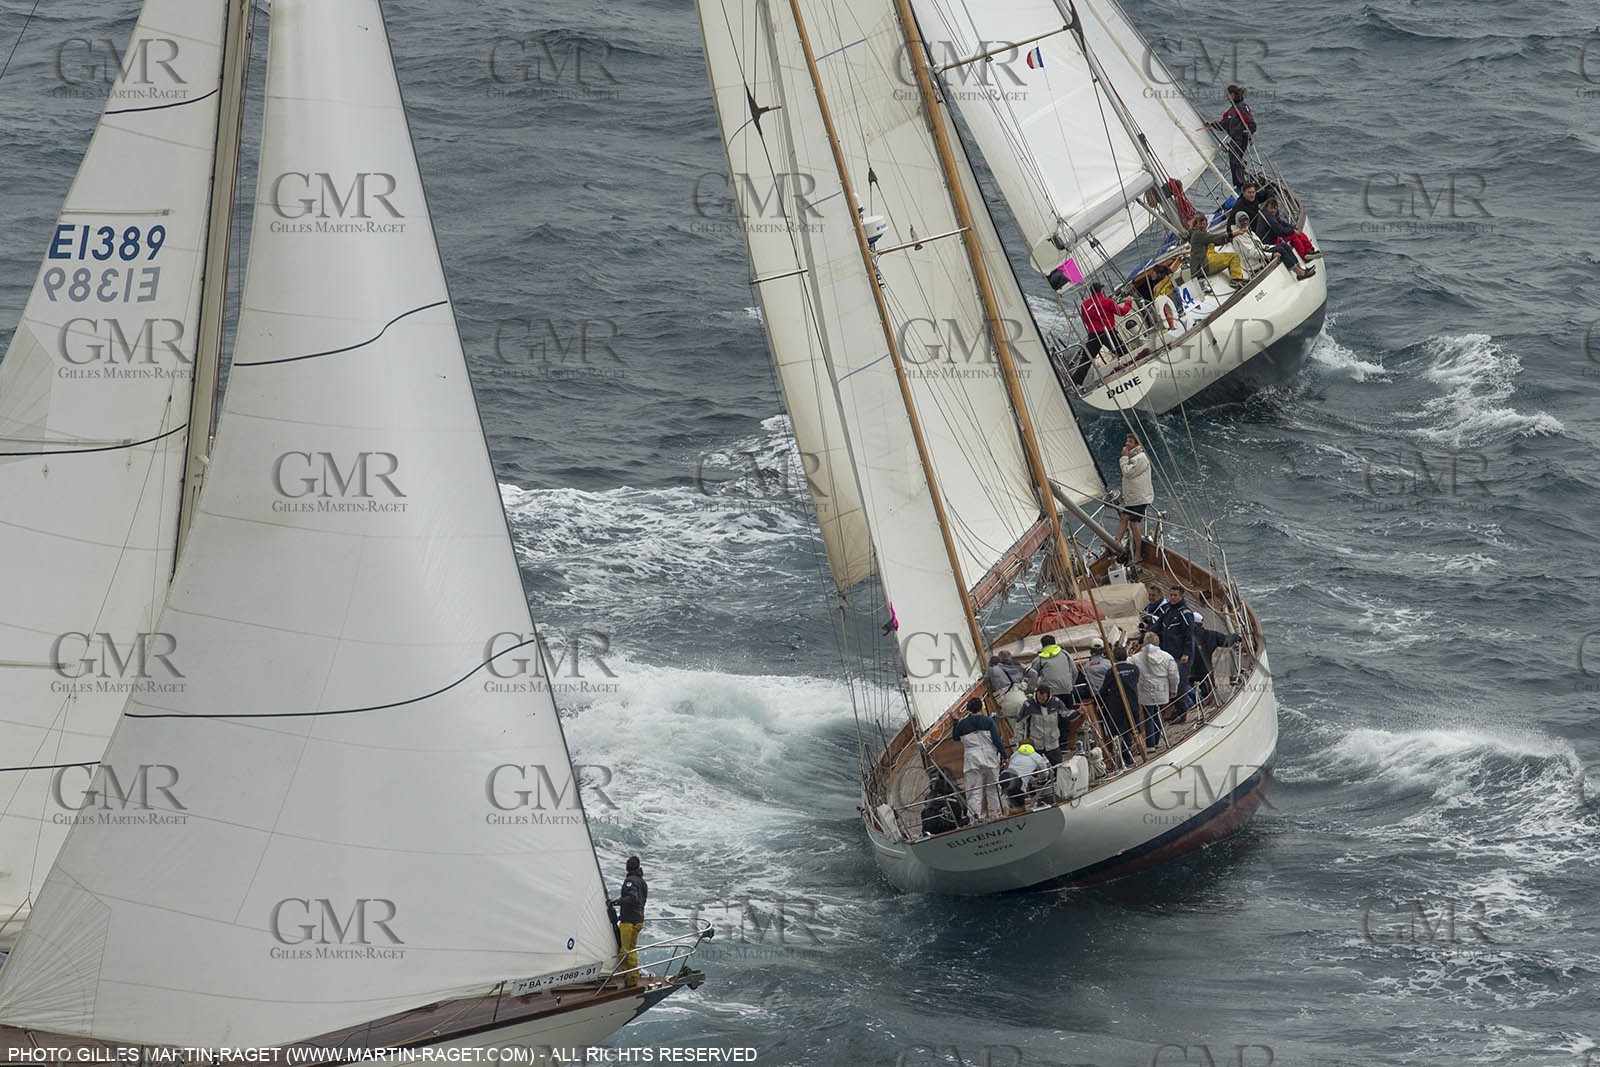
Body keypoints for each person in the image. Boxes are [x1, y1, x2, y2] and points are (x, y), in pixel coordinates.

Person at [952, 696, 1004, 820]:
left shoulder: (962, 724)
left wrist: (955, 722)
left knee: (974, 791)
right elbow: (996, 740)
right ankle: (995, 814)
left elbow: (955, 737)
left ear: (968, 709)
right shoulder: (988, 721)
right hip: (989, 756)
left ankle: (975, 818)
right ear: (981, 708)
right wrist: (1005, 755)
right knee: (994, 788)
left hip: (972, 759)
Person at [1130, 632, 1180, 749]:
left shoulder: (1136, 658)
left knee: (1149, 716)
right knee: (1158, 715)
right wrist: (1174, 689)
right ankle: (1156, 741)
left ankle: (1150, 745)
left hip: (1145, 690)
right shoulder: (1167, 656)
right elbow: (1174, 675)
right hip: (1162, 690)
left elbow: (1128, 664)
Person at [1153, 586, 1197, 717]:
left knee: (1180, 684)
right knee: (1170, 683)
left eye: (1175, 595)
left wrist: (1186, 653)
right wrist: (1144, 637)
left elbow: (1189, 635)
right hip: (1168, 655)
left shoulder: (1185, 614)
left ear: (1181, 596)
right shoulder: (1167, 611)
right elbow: (1157, 626)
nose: (1172, 597)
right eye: (1171, 595)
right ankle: (1176, 709)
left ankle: (1182, 713)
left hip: (1180, 656)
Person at [1096, 646, 1143, 766]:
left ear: (1114, 657)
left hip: (1117, 705)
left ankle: (1124, 757)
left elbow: (1104, 689)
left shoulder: (1111, 671)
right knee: (1132, 729)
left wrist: (1098, 701)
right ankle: (1131, 753)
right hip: (1132, 703)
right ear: (1126, 655)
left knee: (1118, 731)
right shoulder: (1134, 669)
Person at [1206, 84, 1257, 189]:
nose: (1226, 97)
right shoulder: (1231, 111)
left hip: (1241, 137)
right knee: (1233, 159)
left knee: (1235, 159)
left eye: (1228, 95)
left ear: (1233, 95)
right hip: (1234, 138)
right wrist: (1211, 125)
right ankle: (1239, 183)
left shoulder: (1242, 107)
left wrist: (1248, 132)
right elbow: (1223, 124)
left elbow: (1251, 122)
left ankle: (1241, 184)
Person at [1254, 196, 1319, 275]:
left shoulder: (1269, 215)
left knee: (1288, 243)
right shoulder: (1268, 217)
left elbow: (1281, 222)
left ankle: (1306, 256)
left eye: (1275, 208)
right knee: (1292, 237)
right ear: (1267, 207)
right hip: (1267, 243)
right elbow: (1279, 230)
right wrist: (1293, 231)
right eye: (1271, 208)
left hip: (1272, 240)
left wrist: (1293, 228)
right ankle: (1304, 258)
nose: (1273, 210)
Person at [609, 856, 647, 987]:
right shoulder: (642, 882)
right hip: (638, 920)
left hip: (629, 922)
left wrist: (616, 902)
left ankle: (631, 978)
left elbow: (632, 898)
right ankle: (632, 976)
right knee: (631, 949)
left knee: (625, 951)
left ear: (627, 867)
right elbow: (640, 901)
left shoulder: (630, 881)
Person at [1190, 616, 1243, 706]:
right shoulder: (1211, 635)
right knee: (1209, 694)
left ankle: (1192, 705)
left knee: (1185, 691)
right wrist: (1236, 637)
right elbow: (1227, 642)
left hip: (1188, 672)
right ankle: (1207, 703)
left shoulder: (1182, 636)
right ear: (1201, 623)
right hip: (1205, 671)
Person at [1116, 434, 1154, 552]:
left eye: (1130, 442)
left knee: (1133, 523)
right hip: (1133, 499)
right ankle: (1115, 544)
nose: (1127, 443)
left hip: (1140, 498)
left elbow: (1127, 473)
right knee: (1124, 518)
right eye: (1127, 440)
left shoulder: (1141, 458)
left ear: (1137, 445)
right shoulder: (1134, 457)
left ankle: (1138, 554)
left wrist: (1124, 458)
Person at [1186, 216, 1245, 290]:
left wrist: (1228, 238)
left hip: (1202, 265)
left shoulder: (1199, 235)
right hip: (1203, 265)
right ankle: (1236, 280)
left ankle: (1236, 279)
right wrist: (1235, 233)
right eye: (1201, 223)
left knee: (1227, 256)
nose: (1204, 225)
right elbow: (1216, 238)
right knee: (1234, 256)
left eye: (1205, 223)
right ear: (1195, 225)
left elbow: (1215, 241)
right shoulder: (1198, 234)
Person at [1079, 281, 1133, 357]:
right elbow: (1122, 312)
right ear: (1101, 290)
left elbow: (1085, 320)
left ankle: (1081, 369)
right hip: (1108, 332)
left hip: (1094, 334)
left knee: (1087, 359)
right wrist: (1128, 302)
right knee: (1124, 353)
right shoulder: (1107, 302)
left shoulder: (1084, 305)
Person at [1019, 684, 1069, 765]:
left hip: (1052, 743)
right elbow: (1020, 724)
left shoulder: (1056, 702)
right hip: (1035, 744)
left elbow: (1067, 715)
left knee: (1059, 767)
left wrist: (1079, 712)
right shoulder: (1028, 705)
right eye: (1039, 697)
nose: (1041, 700)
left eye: (1043, 698)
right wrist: (1020, 741)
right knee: (1033, 768)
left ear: (1048, 696)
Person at [921, 766, 969, 836]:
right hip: (956, 824)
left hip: (936, 828)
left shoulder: (930, 796)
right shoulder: (959, 792)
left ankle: (926, 833)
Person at [1004, 742, 1053, 808]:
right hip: (1017, 783)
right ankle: (1010, 811)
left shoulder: (1014, 755)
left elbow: (1020, 771)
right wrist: (1041, 779)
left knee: (1014, 804)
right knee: (1020, 809)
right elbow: (1044, 772)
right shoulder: (1036, 756)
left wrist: (1033, 780)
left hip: (1004, 778)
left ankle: (1008, 810)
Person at [987, 651, 1028, 723]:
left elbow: (986, 682)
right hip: (1022, 699)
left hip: (1009, 704)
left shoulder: (992, 670)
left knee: (1017, 729)